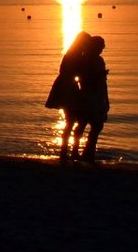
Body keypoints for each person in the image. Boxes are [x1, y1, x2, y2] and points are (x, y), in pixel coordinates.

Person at [45, 32, 92, 161]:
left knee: (72, 121)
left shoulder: (73, 54)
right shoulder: (75, 55)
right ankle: (69, 151)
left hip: (66, 87)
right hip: (67, 88)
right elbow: (77, 72)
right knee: (74, 121)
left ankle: (67, 151)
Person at [70, 35, 109, 162]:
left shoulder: (97, 60)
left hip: (96, 96)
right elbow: (84, 79)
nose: (102, 48)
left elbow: (103, 83)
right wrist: (98, 76)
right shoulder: (87, 61)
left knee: (94, 125)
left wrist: (106, 99)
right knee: (85, 124)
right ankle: (78, 151)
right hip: (87, 96)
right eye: (100, 46)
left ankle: (87, 151)